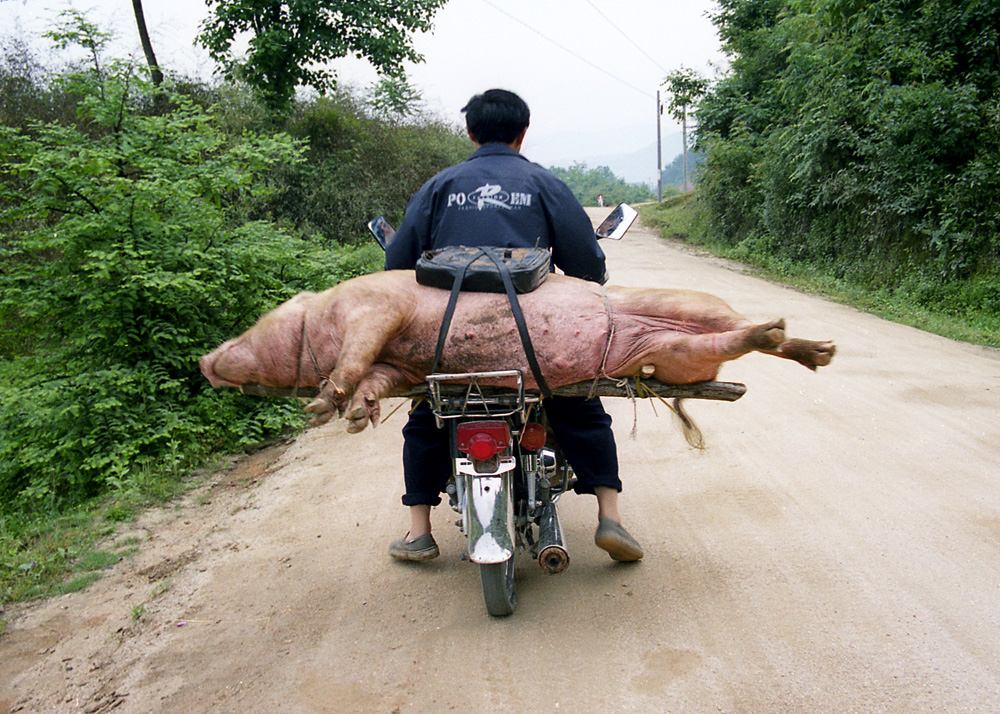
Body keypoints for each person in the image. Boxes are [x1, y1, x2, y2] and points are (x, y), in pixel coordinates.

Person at [383, 89, 643, 564]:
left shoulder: (439, 187)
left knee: (426, 413)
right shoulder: (544, 184)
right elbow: (586, 264)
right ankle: (611, 517)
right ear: (524, 132)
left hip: (450, 342)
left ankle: (419, 528)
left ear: (470, 132)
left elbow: (397, 267)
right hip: (529, 342)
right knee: (580, 405)